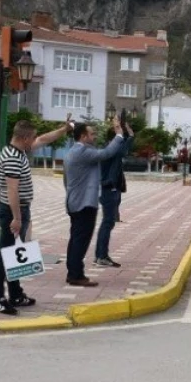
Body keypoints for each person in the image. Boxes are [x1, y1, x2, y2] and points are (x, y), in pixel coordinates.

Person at [0, 116, 73, 315]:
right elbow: (12, 191)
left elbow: (44, 139)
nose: (35, 141)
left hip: (19, 209)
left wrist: (64, 129)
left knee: (13, 254)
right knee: (4, 255)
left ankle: (16, 294)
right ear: (25, 137)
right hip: (12, 210)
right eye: (32, 137)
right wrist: (16, 218)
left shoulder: (18, 151)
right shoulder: (11, 157)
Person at [62, 118, 127, 286]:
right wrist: (119, 134)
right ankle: (76, 275)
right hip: (84, 204)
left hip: (74, 202)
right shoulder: (82, 152)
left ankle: (73, 272)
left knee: (75, 238)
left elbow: (65, 180)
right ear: (83, 136)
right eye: (92, 134)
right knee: (81, 240)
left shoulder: (71, 152)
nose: (94, 136)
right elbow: (106, 153)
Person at [94, 117, 134, 268]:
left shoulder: (112, 149)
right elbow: (123, 147)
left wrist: (129, 133)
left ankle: (100, 255)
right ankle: (101, 256)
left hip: (112, 188)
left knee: (108, 223)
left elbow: (126, 145)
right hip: (109, 189)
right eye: (120, 138)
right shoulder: (110, 151)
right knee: (107, 222)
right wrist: (120, 129)